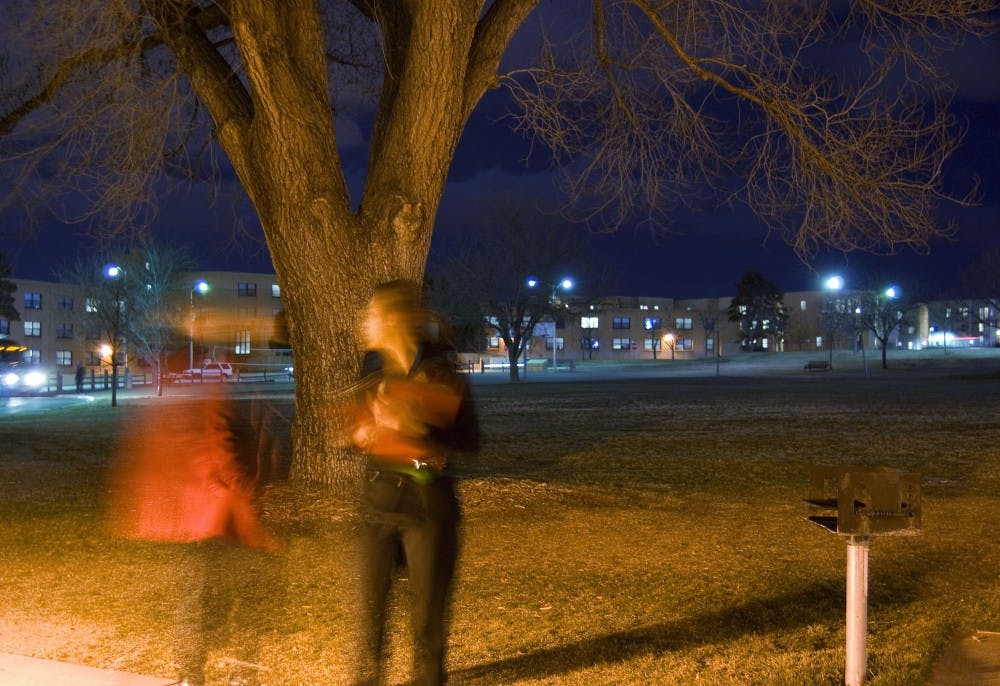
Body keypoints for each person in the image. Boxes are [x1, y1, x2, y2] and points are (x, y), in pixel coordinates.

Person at [350, 280, 479, 686]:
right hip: (380, 501)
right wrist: (364, 434)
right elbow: (364, 427)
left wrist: (422, 430)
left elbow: (470, 439)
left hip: (428, 508)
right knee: (369, 614)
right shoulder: (372, 372)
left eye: (371, 314)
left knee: (427, 618)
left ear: (392, 321)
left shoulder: (440, 373)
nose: (364, 322)